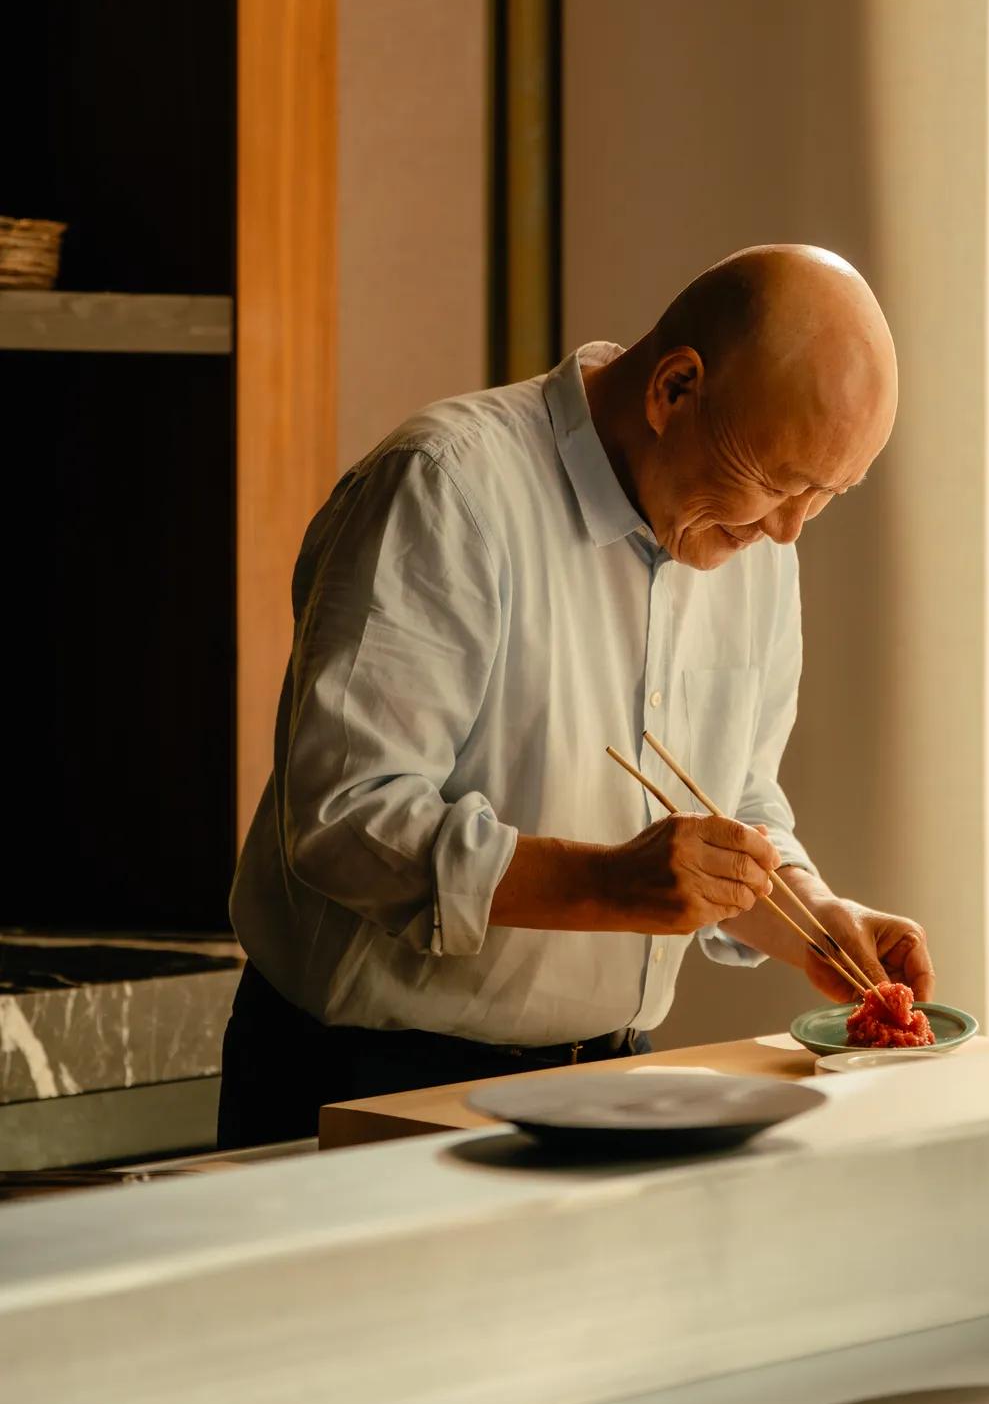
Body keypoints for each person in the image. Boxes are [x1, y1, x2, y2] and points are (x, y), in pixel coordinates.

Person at [219, 244, 933, 1145]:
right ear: (675, 389)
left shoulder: (753, 537)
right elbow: (342, 820)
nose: (787, 530)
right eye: (778, 483)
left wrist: (816, 917)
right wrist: (607, 884)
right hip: (369, 1074)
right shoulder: (446, 488)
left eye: (826, 496)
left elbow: (734, 802)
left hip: (616, 1073)